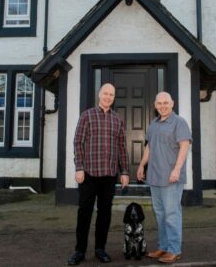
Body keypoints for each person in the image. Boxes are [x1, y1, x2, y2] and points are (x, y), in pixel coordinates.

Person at [67, 83, 130, 266]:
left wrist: (124, 171)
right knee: (84, 212)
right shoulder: (87, 116)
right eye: (105, 93)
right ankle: (79, 251)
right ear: (99, 95)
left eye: (111, 94)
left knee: (105, 213)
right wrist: (79, 167)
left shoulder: (117, 119)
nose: (108, 97)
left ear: (114, 97)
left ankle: (100, 249)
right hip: (89, 173)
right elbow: (78, 142)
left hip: (110, 174)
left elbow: (121, 147)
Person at [137, 91, 192, 264]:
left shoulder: (179, 123)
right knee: (160, 214)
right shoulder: (153, 124)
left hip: (171, 178)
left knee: (171, 214)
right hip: (154, 177)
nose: (162, 105)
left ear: (172, 103)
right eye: (159, 103)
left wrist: (177, 169)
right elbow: (149, 148)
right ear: (155, 105)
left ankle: (174, 250)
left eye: (165, 102)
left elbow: (184, 147)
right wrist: (141, 165)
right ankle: (163, 247)